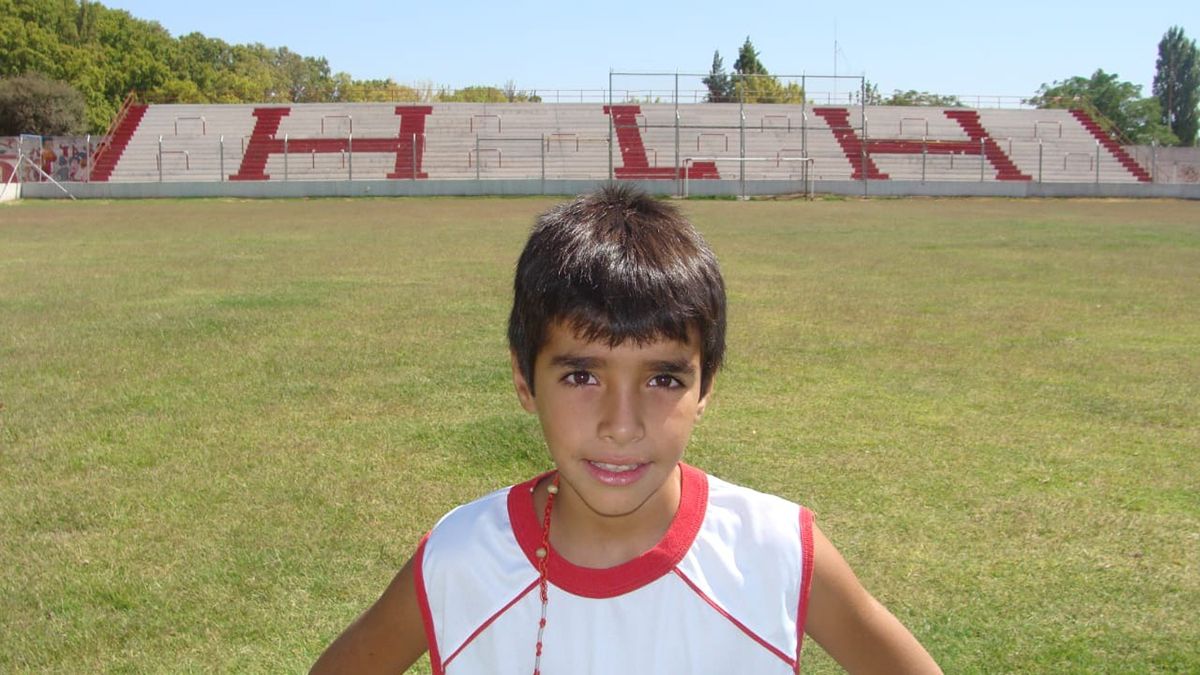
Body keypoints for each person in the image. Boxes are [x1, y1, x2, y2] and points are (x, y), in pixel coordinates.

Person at [311, 185, 940, 674]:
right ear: (524, 380)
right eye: (581, 376)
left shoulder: (774, 550)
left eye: (663, 379)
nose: (621, 425)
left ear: (705, 387)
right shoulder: (462, 558)